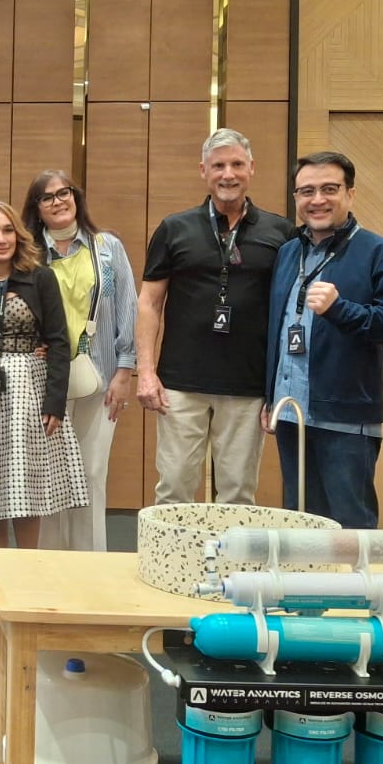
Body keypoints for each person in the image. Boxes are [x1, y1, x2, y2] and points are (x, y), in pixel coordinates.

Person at [136, 128, 293, 505]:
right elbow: (149, 303)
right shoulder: (174, 228)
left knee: (238, 494)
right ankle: (172, 550)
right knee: (174, 488)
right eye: (218, 165)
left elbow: (289, 312)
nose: (228, 174)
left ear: (251, 168)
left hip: (247, 386)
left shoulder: (281, 232)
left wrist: (279, 386)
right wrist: (146, 372)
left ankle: (232, 551)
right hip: (180, 384)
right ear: (203, 171)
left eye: (237, 164)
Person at [264, 152, 383, 527]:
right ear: (296, 198)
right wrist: (269, 396)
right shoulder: (288, 253)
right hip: (291, 413)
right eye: (307, 191)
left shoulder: (380, 253)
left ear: (350, 194)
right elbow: (278, 328)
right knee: (300, 524)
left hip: (345, 419)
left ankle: (354, 571)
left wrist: (340, 309)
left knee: (349, 527)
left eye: (329, 189)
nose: (317, 200)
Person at [0, 201, 87, 549]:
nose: (1, 239)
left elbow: (58, 341)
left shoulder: (41, 277)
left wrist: (55, 403)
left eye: (8, 230)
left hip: (29, 386)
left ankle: (26, 569)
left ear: (18, 235)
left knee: (26, 482)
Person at [21, 170, 137, 552]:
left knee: (91, 474)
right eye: (47, 197)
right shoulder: (28, 254)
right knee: (48, 478)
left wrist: (125, 371)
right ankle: (48, 568)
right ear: (37, 208)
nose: (58, 201)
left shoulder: (107, 247)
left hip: (100, 375)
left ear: (76, 197)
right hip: (44, 382)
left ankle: (90, 568)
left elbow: (128, 309)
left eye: (64, 193)